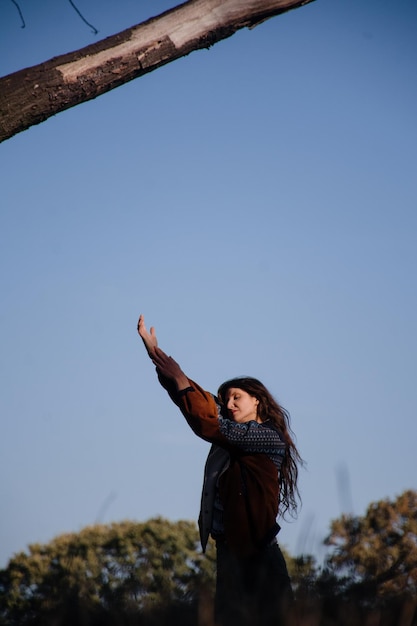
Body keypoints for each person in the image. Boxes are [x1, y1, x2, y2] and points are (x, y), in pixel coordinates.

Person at [137, 314, 302, 626]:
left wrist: (181, 378)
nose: (229, 404)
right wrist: (155, 355)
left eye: (237, 397)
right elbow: (195, 400)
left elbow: (206, 420)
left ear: (258, 402)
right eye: (226, 399)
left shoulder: (264, 437)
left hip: (257, 554)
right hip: (229, 552)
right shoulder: (231, 433)